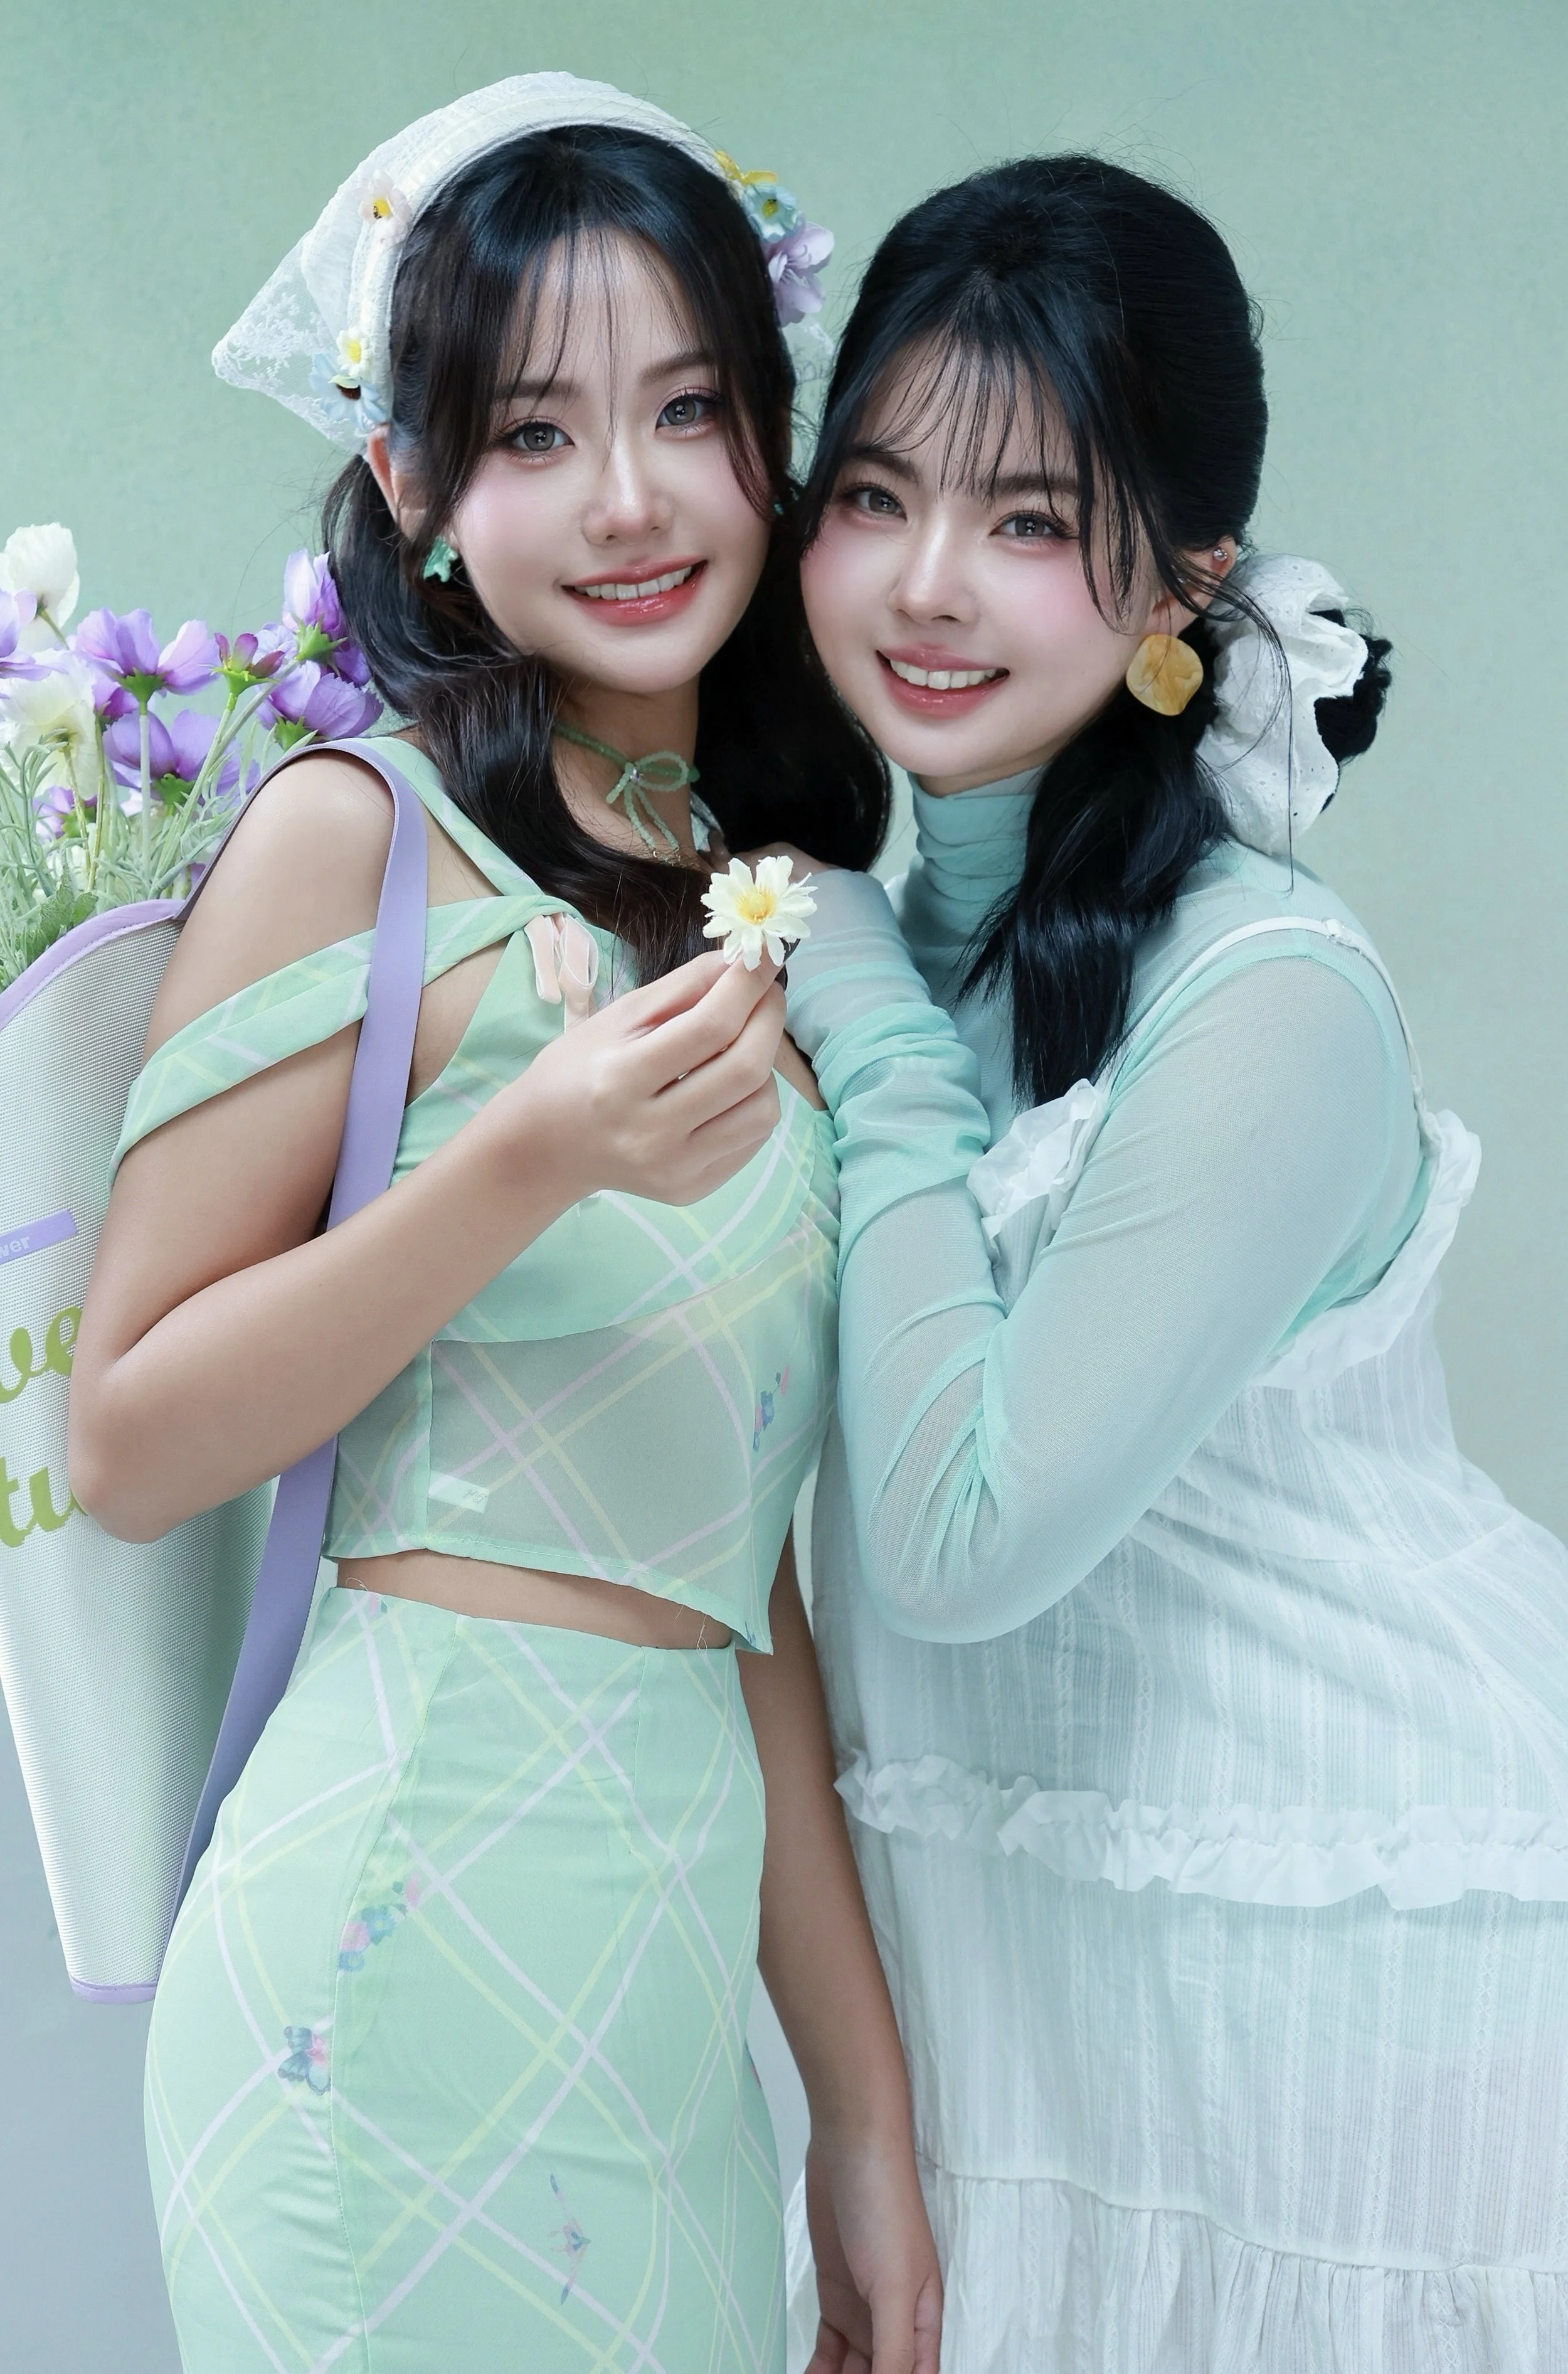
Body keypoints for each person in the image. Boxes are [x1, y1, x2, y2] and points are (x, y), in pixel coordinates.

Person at [68, 75, 940, 2374]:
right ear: (411, 484)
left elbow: (733, 1581)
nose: (634, 498)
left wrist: (857, 2122)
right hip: (391, 1959)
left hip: (658, 2013)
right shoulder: (351, 846)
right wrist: (522, 1158)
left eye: (687, 409)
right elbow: (132, 1444)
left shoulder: (767, 901)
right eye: (537, 432)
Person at [776, 154, 1568, 2370]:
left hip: (1362, 1962)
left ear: (1182, 579)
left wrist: (866, 1040)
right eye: (872, 493)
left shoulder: (1265, 996)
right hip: (1030, 1974)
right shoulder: (850, 933)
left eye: (1031, 521)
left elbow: (951, 1540)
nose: (929, 585)